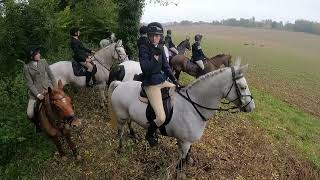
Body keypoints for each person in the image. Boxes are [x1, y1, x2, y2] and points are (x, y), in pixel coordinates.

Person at [139, 22, 182, 147]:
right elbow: (146, 69)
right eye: (151, 35)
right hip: (151, 84)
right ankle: (149, 134)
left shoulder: (161, 47)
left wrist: (175, 80)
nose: (154, 38)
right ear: (148, 35)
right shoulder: (144, 48)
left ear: (160, 36)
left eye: (157, 36)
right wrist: (155, 57)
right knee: (161, 118)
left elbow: (166, 67)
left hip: (162, 80)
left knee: (179, 93)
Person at [23, 46, 56, 132]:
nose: (39, 54)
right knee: (30, 114)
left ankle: (70, 118)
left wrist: (55, 88)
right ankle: (38, 124)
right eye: (37, 53)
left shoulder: (44, 61)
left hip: (49, 89)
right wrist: (38, 94)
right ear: (32, 56)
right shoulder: (26, 68)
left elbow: (51, 76)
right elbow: (30, 84)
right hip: (36, 94)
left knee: (62, 100)